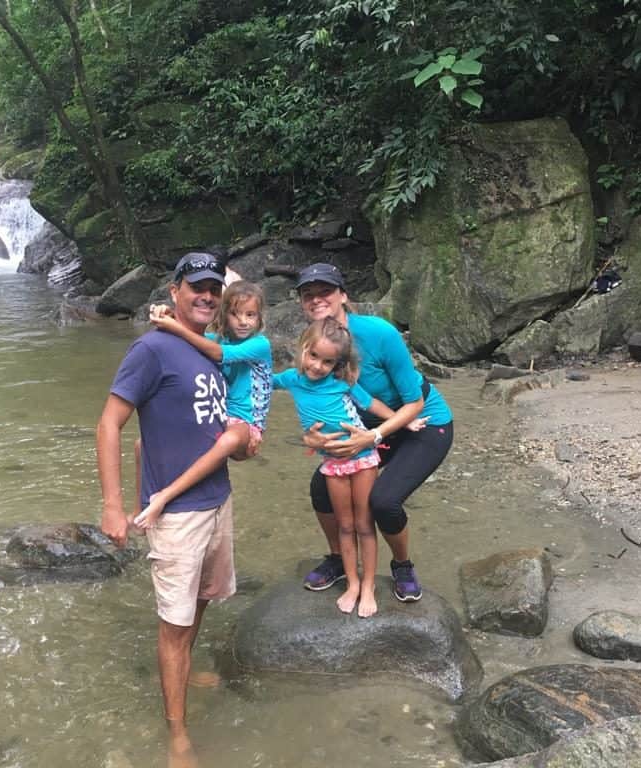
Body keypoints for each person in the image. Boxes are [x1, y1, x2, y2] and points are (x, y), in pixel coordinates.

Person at [96, 251, 234, 768]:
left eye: (214, 289)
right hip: (177, 513)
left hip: (218, 499)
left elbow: (194, 430)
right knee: (174, 624)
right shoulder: (151, 349)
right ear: (175, 291)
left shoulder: (211, 352)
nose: (207, 296)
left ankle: (186, 672)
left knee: (201, 600)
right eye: (197, 287)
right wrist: (115, 506)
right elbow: (110, 424)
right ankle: (177, 732)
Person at [296, 263, 454, 602]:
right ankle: (339, 559)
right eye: (308, 295)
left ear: (343, 295)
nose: (316, 299)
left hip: (424, 421)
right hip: (371, 427)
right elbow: (315, 405)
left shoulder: (379, 333)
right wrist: (311, 440)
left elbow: (414, 401)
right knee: (321, 486)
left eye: (325, 291)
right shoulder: (314, 346)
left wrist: (375, 437)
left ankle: (402, 565)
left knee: (384, 501)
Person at [273, 317, 425, 618]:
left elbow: (371, 405)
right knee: (344, 525)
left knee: (364, 525)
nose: (318, 366)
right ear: (302, 347)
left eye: (327, 361)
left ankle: (368, 585)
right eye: (313, 355)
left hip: (362, 457)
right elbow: (260, 381)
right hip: (333, 462)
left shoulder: (343, 383)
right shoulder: (290, 379)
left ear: (337, 364)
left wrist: (404, 421)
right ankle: (352, 583)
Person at [134, 280, 273, 530]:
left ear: (260, 318)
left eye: (250, 315)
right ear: (224, 315)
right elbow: (193, 337)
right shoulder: (219, 339)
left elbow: (219, 354)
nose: (243, 321)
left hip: (247, 422)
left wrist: (176, 327)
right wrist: (167, 314)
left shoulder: (260, 344)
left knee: (227, 442)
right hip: (219, 415)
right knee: (142, 444)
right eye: (235, 314)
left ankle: (164, 496)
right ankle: (140, 508)